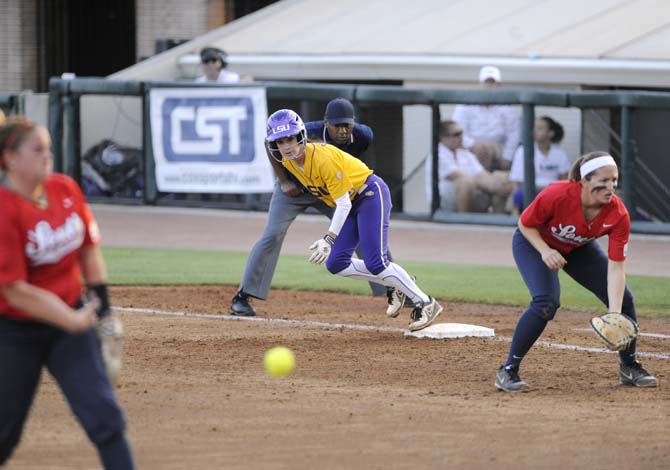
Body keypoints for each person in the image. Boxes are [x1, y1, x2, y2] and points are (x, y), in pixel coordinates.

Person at [0, 118, 135, 469]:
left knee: (105, 417)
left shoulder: (65, 189)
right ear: (10, 159)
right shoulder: (5, 210)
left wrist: (104, 313)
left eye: (49, 148)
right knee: (5, 432)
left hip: (69, 327)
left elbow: (88, 250)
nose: (48, 156)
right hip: (15, 332)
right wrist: (73, 320)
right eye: (38, 150)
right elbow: (16, 291)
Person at [263, 108, 442, 332]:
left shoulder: (322, 158)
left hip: (369, 194)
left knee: (376, 262)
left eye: (290, 138)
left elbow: (344, 203)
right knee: (336, 263)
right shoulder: (289, 162)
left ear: (300, 136)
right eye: (279, 141)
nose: (286, 145)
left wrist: (328, 239)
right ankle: (397, 284)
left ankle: (425, 302)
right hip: (351, 202)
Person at [495, 151, 658, 392]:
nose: (610, 187)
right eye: (603, 181)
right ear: (584, 181)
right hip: (534, 242)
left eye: (614, 180)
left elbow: (616, 267)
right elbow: (525, 224)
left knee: (625, 300)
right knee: (546, 301)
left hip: (577, 247)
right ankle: (508, 370)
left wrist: (614, 314)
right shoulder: (558, 194)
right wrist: (544, 251)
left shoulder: (618, 214)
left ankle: (629, 366)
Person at [231, 98, 388, 316]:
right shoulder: (302, 131)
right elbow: (271, 143)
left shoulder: (363, 136)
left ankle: (392, 286)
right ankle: (243, 295)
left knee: (363, 226)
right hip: (295, 188)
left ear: (354, 123)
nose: (342, 130)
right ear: (325, 123)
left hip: (330, 189)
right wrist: (284, 181)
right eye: (336, 125)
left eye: (347, 124)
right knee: (273, 233)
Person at [425, 120, 513, 213]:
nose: (460, 137)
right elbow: (460, 177)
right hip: (444, 202)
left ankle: (497, 220)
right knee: (466, 183)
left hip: (473, 192)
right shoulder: (437, 154)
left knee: (501, 178)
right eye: (456, 134)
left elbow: (482, 174)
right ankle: (463, 221)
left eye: (461, 133)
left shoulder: (464, 153)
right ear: (443, 138)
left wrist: (496, 182)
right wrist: (491, 186)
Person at [452, 66, 520, 171]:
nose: (489, 86)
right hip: (468, 146)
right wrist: (473, 144)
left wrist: (507, 157)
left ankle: (483, 181)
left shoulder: (507, 107)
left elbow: (513, 134)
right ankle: (483, 181)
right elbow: (457, 131)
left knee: (486, 149)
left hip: (498, 147)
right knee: (482, 149)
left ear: (498, 85)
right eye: (486, 82)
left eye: (492, 83)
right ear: (480, 84)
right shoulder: (465, 105)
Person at [509, 116, 572, 213]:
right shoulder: (522, 151)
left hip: (554, 193)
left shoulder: (560, 153)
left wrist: (551, 190)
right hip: (531, 192)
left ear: (550, 133)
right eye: (534, 128)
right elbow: (519, 182)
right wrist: (543, 189)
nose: (535, 131)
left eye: (539, 128)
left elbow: (565, 179)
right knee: (520, 194)